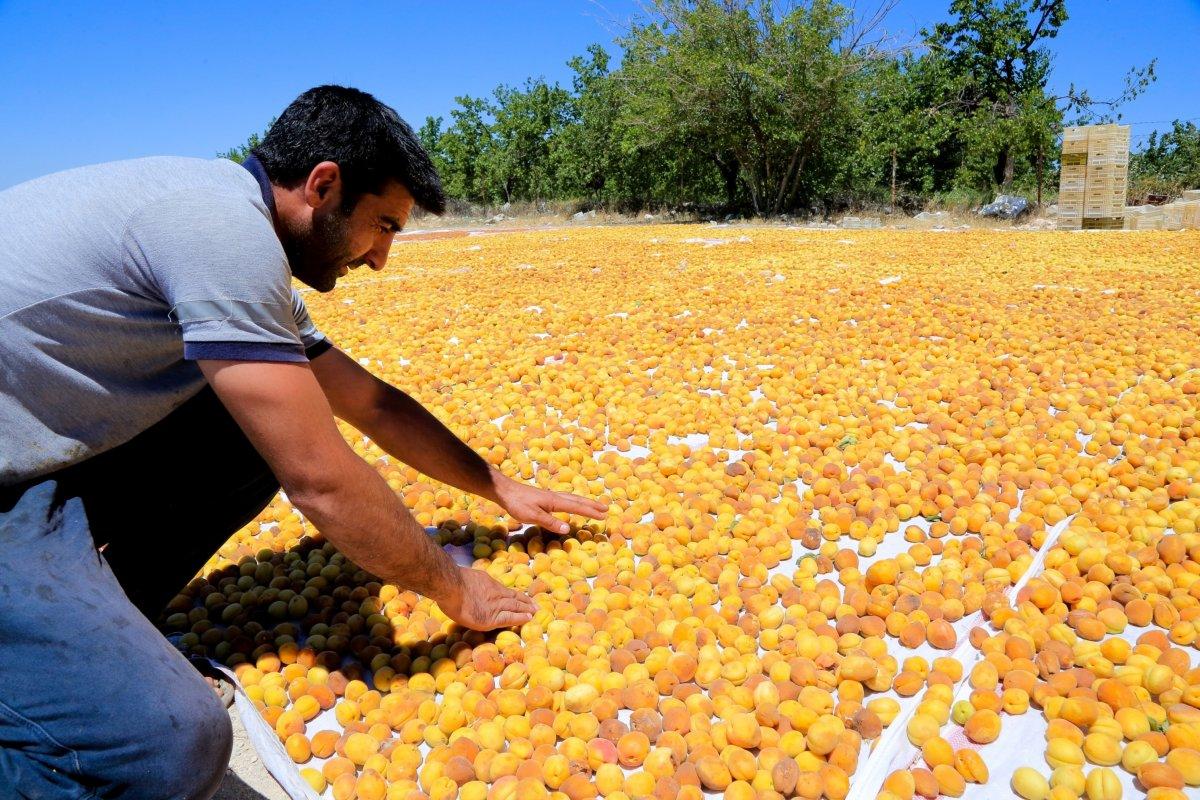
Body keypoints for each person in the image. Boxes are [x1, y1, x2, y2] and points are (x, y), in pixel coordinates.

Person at [0, 85, 607, 799]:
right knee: (171, 746)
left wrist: (498, 486)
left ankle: (102, 633)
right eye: (382, 225)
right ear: (324, 185)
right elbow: (320, 480)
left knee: (249, 427)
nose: (381, 258)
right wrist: (453, 585)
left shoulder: (232, 221)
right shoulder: (217, 233)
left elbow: (372, 404)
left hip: (42, 451)